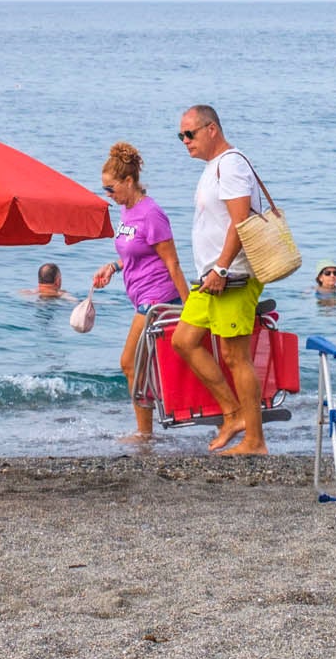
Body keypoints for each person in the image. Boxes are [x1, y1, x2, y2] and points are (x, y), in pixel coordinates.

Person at [173, 103, 270, 454]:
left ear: (211, 129)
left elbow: (240, 222)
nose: (185, 140)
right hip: (210, 276)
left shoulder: (230, 165)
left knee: (235, 356)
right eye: (181, 135)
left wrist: (222, 267)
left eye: (190, 133)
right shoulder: (214, 167)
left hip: (233, 275)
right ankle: (233, 414)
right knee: (183, 339)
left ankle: (256, 441)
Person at [88, 141, 188, 440]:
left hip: (157, 298)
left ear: (129, 182)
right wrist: (114, 267)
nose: (108, 194)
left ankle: (145, 433)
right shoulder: (127, 211)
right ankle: (159, 420)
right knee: (149, 365)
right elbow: (138, 251)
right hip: (140, 297)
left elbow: (172, 262)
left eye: (110, 188)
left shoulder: (151, 213)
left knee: (130, 363)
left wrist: (189, 306)